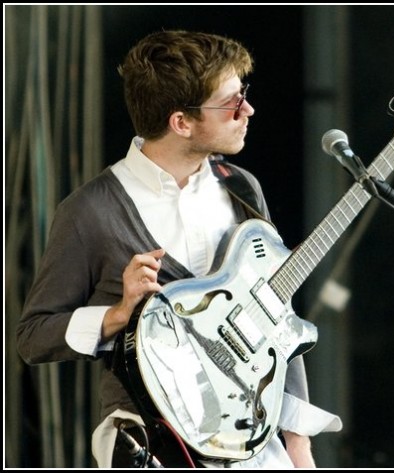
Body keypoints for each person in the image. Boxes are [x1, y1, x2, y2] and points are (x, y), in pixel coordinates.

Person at [16, 30, 341, 468]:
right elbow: (33, 338)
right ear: (181, 122)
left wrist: (297, 445)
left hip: (251, 442)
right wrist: (117, 315)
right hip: (150, 444)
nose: (247, 110)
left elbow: (274, 316)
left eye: (242, 94)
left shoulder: (243, 188)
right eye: (230, 102)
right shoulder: (89, 211)